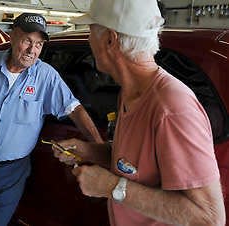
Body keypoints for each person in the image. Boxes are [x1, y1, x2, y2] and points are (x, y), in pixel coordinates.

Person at [52, 0, 226, 225]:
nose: (87, 39)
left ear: (110, 40)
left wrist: (111, 187)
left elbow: (209, 218)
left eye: (91, 30)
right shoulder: (130, 92)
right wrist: (90, 152)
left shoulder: (172, 108)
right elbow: (137, 164)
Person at [0, 12, 103, 226]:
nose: (32, 50)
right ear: (12, 36)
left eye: (38, 44)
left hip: (12, 172)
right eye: (27, 40)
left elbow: (74, 109)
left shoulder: (46, 76)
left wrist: (101, 151)